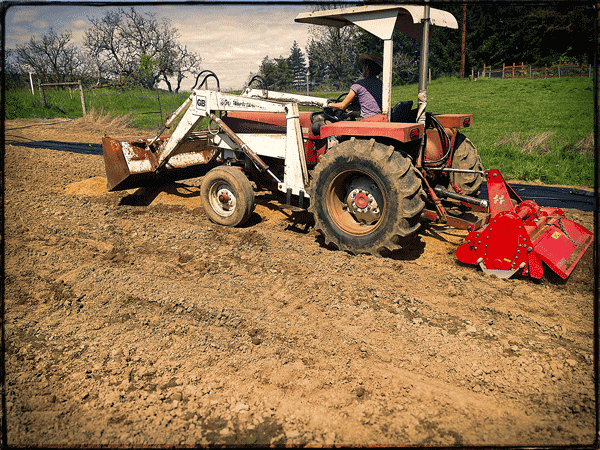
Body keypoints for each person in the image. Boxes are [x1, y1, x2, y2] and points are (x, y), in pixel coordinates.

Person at [328, 53, 383, 119]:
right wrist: (351, 113)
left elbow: (342, 106)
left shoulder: (359, 85)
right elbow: (373, 110)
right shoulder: (382, 84)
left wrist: (328, 104)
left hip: (367, 122)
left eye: (363, 67)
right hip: (380, 119)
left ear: (367, 67)